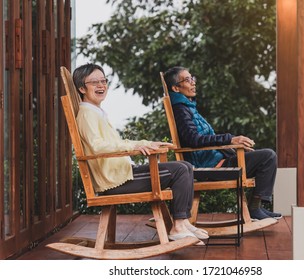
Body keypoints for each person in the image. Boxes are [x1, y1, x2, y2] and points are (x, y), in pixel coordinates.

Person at [72, 63, 208, 243]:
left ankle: (182, 221)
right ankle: (178, 227)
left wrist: (146, 144)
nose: (101, 85)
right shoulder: (87, 114)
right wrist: (132, 148)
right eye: (94, 82)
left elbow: (115, 143)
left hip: (122, 175)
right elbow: (97, 147)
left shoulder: (97, 112)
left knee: (185, 166)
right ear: (82, 88)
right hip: (115, 182)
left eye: (103, 80)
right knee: (180, 170)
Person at [163, 66, 282, 221]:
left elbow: (200, 138)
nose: (193, 83)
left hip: (216, 160)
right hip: (209, 167)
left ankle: (256, 207)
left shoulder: (188, 107)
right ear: (176, 88)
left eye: (192, 78)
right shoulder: (180, 109)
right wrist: (230, 139)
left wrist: (233, 147)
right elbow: (193, 139)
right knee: (268, 156)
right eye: (187, 80)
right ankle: (254, 208)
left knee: (264, 156)